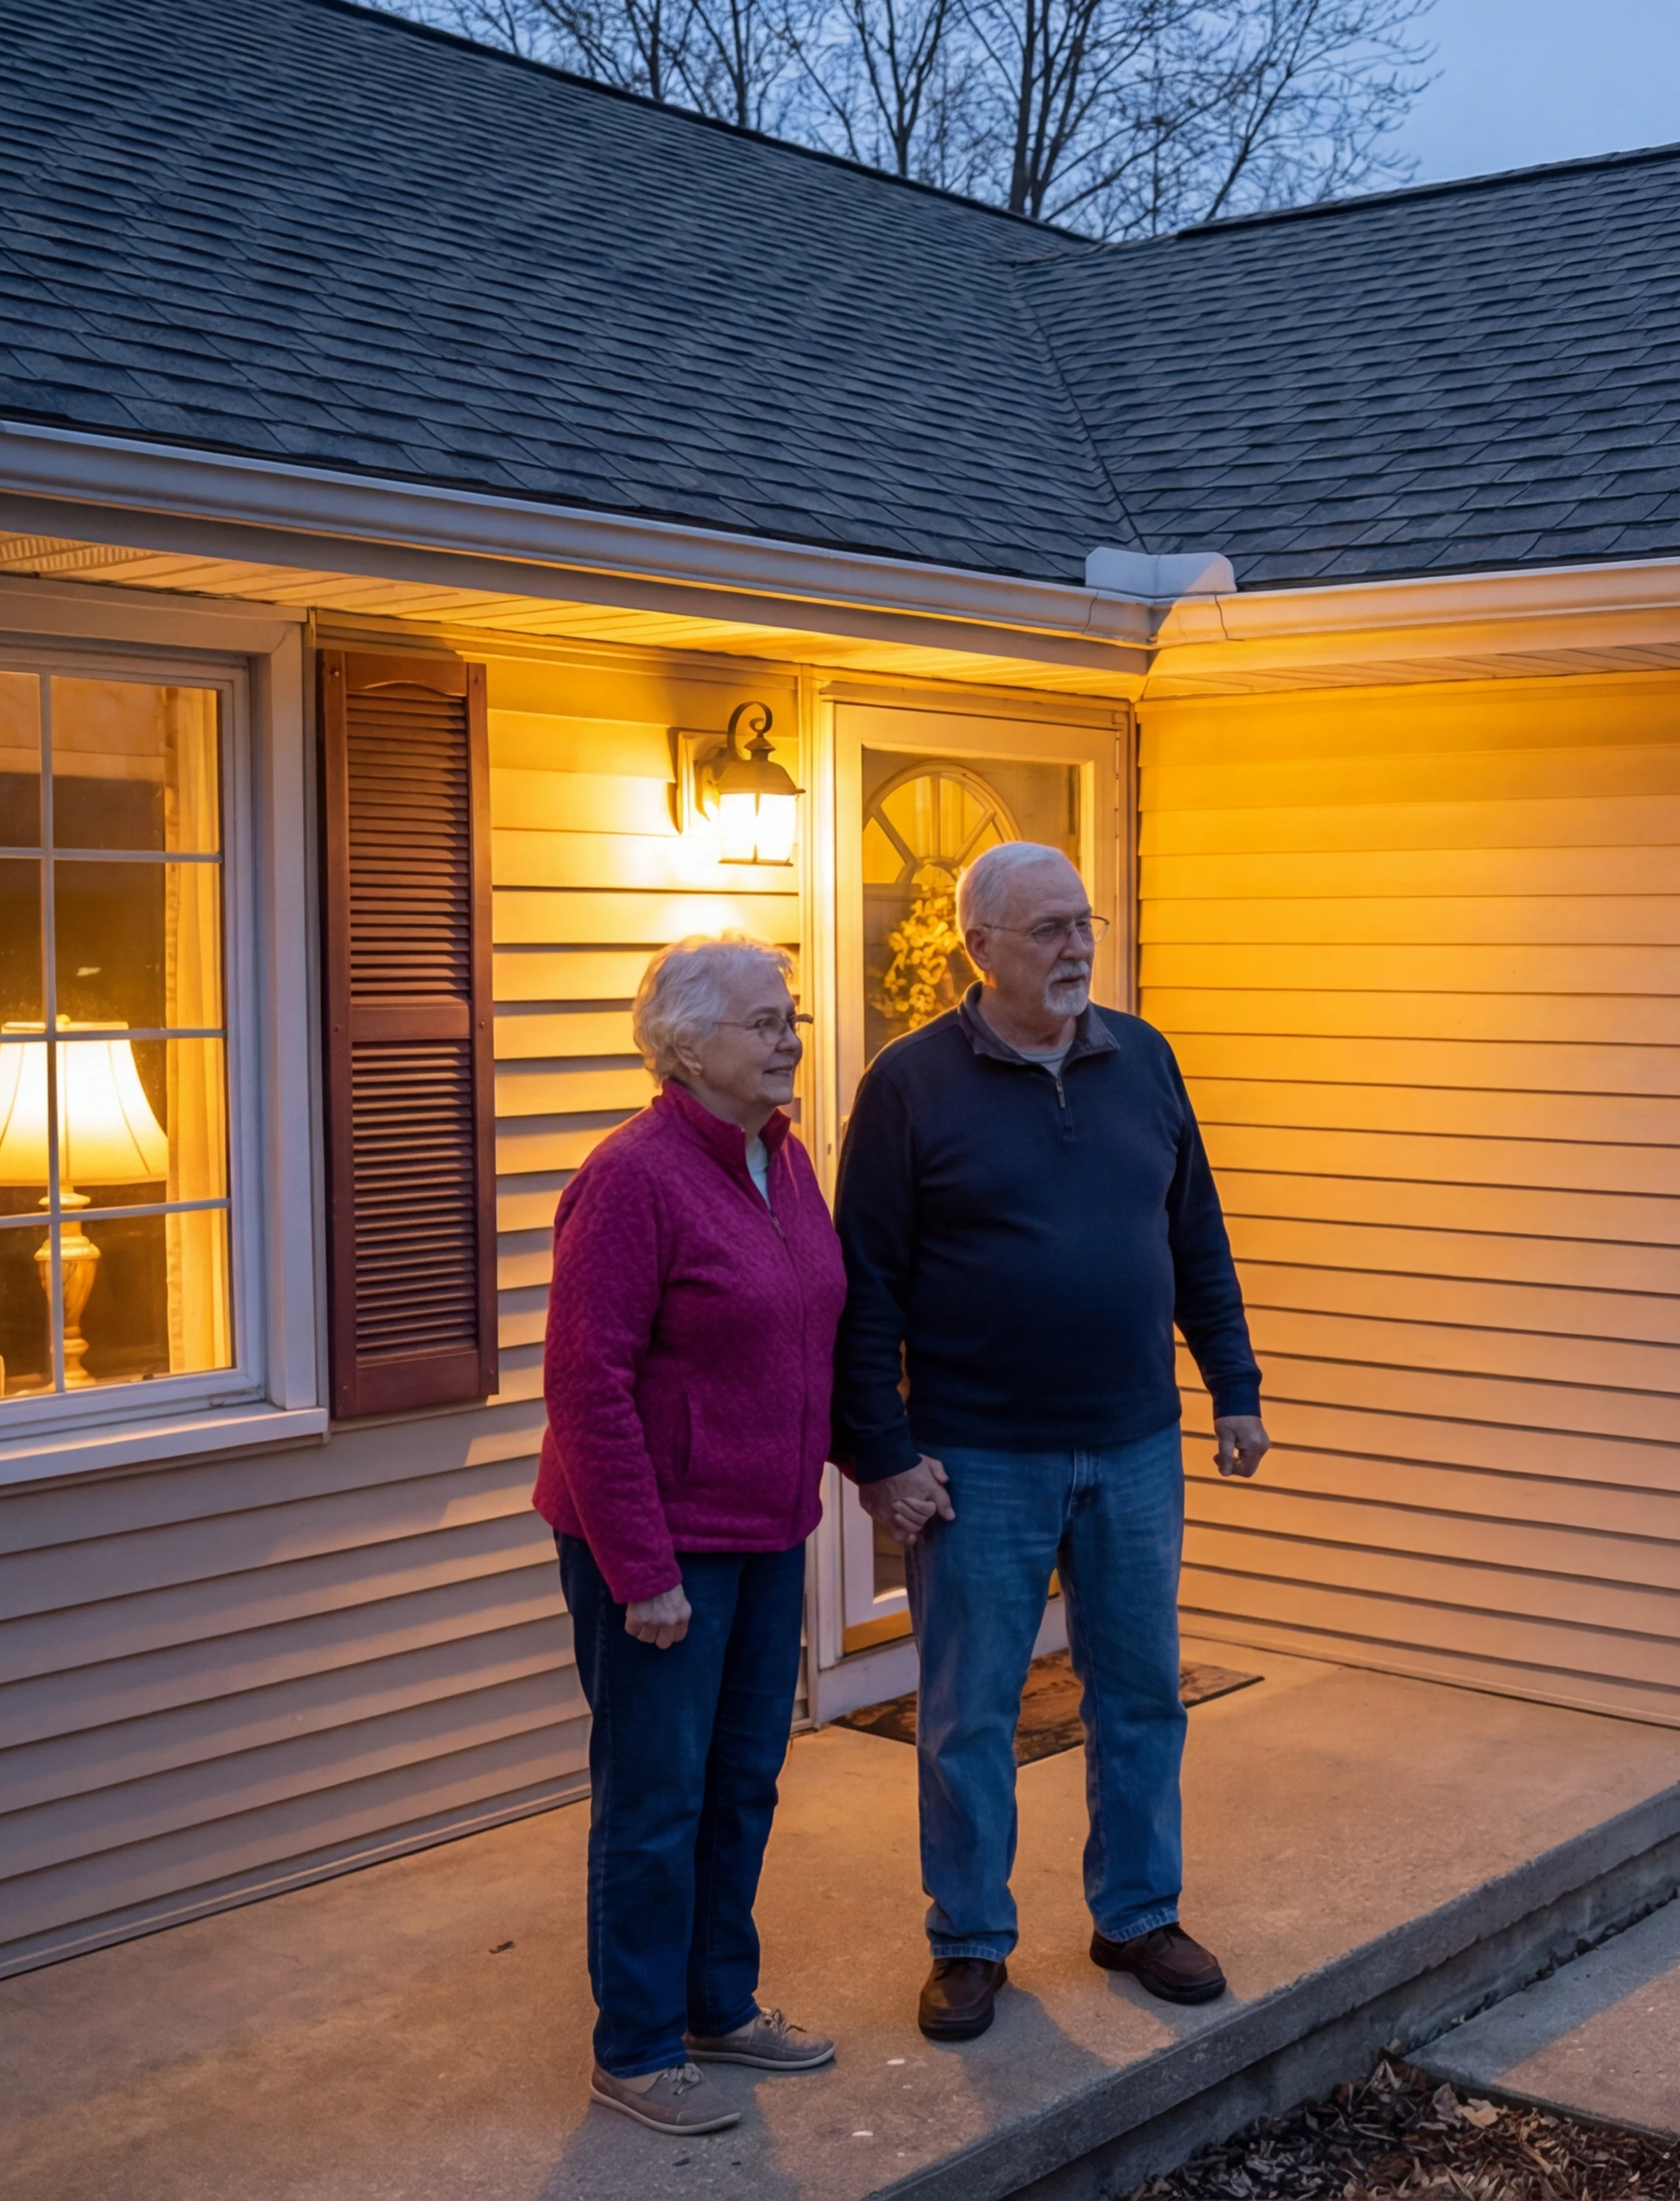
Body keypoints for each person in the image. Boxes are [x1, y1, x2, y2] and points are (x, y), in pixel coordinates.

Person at [831, 841, 1271, 2045]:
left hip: (1134, 1445)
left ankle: (1138, 1914)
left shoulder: (1144, 1058)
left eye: (1085, 924)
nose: (1078, 948)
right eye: (1049, 930)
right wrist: (880, 1452)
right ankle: (970, 1940)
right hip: (979, 1458)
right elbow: (863, 1285)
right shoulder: (910, 1085)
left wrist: (1232, 1385)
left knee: (1140, 1695)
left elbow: (1196, 1235)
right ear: (981, 949)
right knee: (970, 1712)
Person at [534, 934, 950, 2136]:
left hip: (768, 1534)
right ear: (686, 1045)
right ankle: (637, 2045)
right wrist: (642, 1571)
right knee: (656, 1797)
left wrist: (873, 1462)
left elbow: (806, 1340)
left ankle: (717, 2002)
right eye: (765, 1023)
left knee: (742, 1782)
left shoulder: (784, 1159)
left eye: (791, 1019)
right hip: (661, 1548)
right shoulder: (631, 1179)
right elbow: (587, 1389)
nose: (790, 1041)